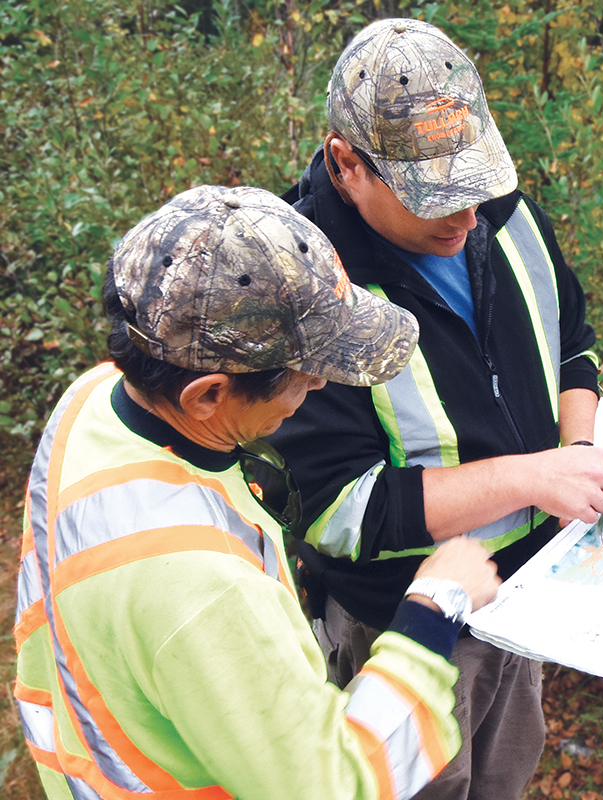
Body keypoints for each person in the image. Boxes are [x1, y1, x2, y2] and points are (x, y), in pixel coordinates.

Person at [270, 18, 603, 800]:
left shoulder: (504, 212)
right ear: (345, 162)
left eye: (476, 184)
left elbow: (574, 344)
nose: (466, 218)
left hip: (525, 606)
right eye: (433, 197)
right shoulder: (300, 287)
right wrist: (535, 476)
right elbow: (337, 512)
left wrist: (576, 461)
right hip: (402, 630)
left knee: (503, 778)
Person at [13, 185, 503, 800]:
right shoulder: (203, 589)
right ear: (208, 395)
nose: (322, 383)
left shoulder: (88, 401)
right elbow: (333, 782)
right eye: (304, 374)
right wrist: (434, 608)